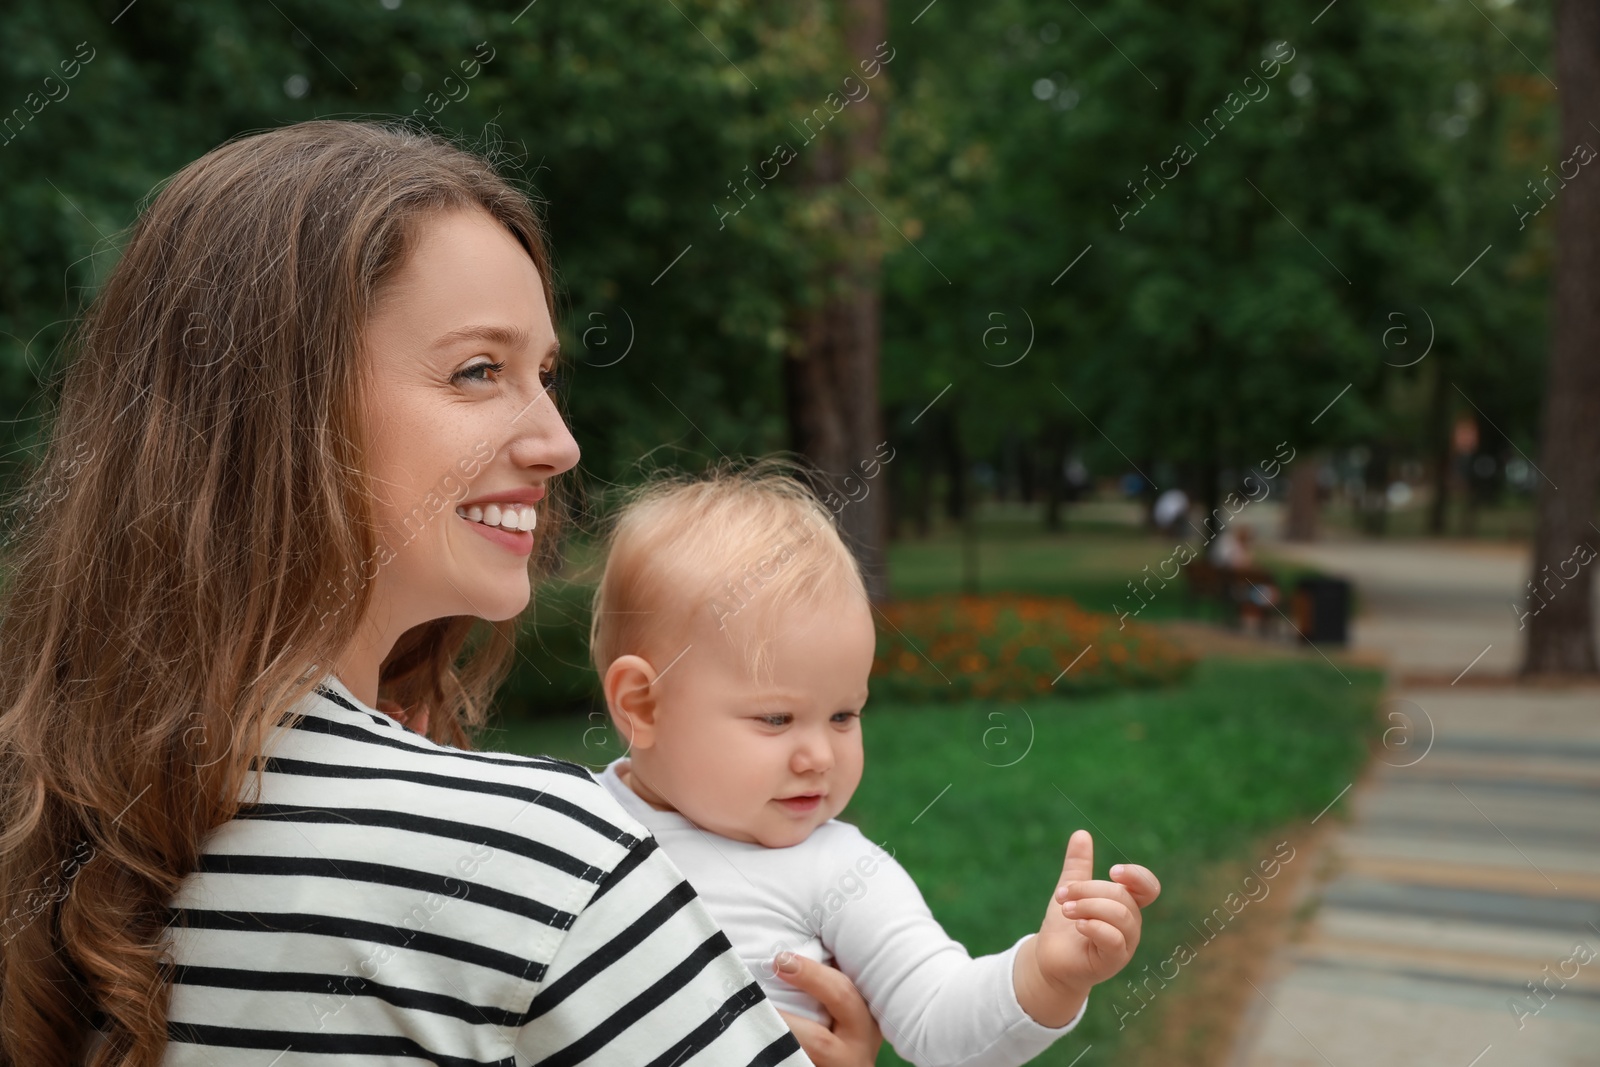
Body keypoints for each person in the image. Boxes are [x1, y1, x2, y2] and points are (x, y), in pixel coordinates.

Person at [0, 121, 880, 1066]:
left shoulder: (46, 812)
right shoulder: (535, 862)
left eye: (543, 376)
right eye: (477, 371)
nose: (559, 442)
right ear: (283, 407)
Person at [582, 466, 1164, 1067]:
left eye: (843, 715)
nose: (820, 757)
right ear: (641, 705)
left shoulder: (839, 871)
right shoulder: (569, 820)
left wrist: (1047, 975)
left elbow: (942, 1022)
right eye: (776, 719)